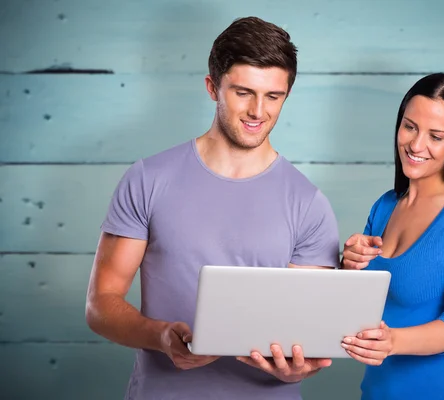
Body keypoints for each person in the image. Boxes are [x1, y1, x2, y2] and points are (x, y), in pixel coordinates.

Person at [85, 16, 340, 400]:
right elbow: (101, 304)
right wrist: (160, 336)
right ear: (212, 87)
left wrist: (295, 371)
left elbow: (308, 337)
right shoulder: (147, 179)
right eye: (243, 92)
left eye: (273, 96)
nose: (258, 111)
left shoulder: (309, 203)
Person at [340, 73, 444, 399]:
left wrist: (394, 342)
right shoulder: (386, 205)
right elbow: (358, 308)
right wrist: (348, 266)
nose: (416, 145)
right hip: (376, 392)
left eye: (437, 136)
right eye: (410, 127)